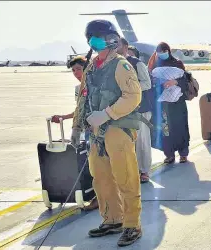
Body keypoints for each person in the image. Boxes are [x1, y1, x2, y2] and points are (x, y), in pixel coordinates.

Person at [73, 19, 143, 246]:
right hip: (95, 131)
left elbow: (133, 96)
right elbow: (83, 97)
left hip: (117, 128)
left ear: (110, 39)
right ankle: (112, 219)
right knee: (100, 177)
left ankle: (132, 225)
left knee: (125, 177)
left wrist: (107, 114)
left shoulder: (121, 65)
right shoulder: (92, 66)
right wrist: (76, 127)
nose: (93, 41)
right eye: (91, 37)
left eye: (98, 36)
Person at [51, 56, 100, 211]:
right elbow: (79, 110)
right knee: (92, 164)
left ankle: (101, 197)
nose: (76, 73)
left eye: (79, 69)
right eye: (73, 70)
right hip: (87, 129)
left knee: (100, 165)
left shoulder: (96, 85)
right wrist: (64, 117)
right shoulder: (78, 89)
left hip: (100, 129)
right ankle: (98, 196)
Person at [117, 38, 153, 184]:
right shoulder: (113, 64)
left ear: (125, 47)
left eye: (117, 44)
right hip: (121, 109)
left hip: (140, 109)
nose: (115, 47)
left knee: (142, 141)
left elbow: (147, 83)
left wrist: (130, 88)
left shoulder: (137, 63)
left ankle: (144, 170)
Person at [148, 42, 190, 164]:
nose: (162, 55)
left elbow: (186, 81)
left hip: (177, 103)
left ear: (169, 51)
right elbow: (150, 82)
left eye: (164, 52)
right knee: (165, 128)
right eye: (159, 53)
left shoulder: (177, 63)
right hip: (163, 103)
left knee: (180, 127)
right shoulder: (154, 65)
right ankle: (169, 154)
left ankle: (183, 153)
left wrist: (175, 82)